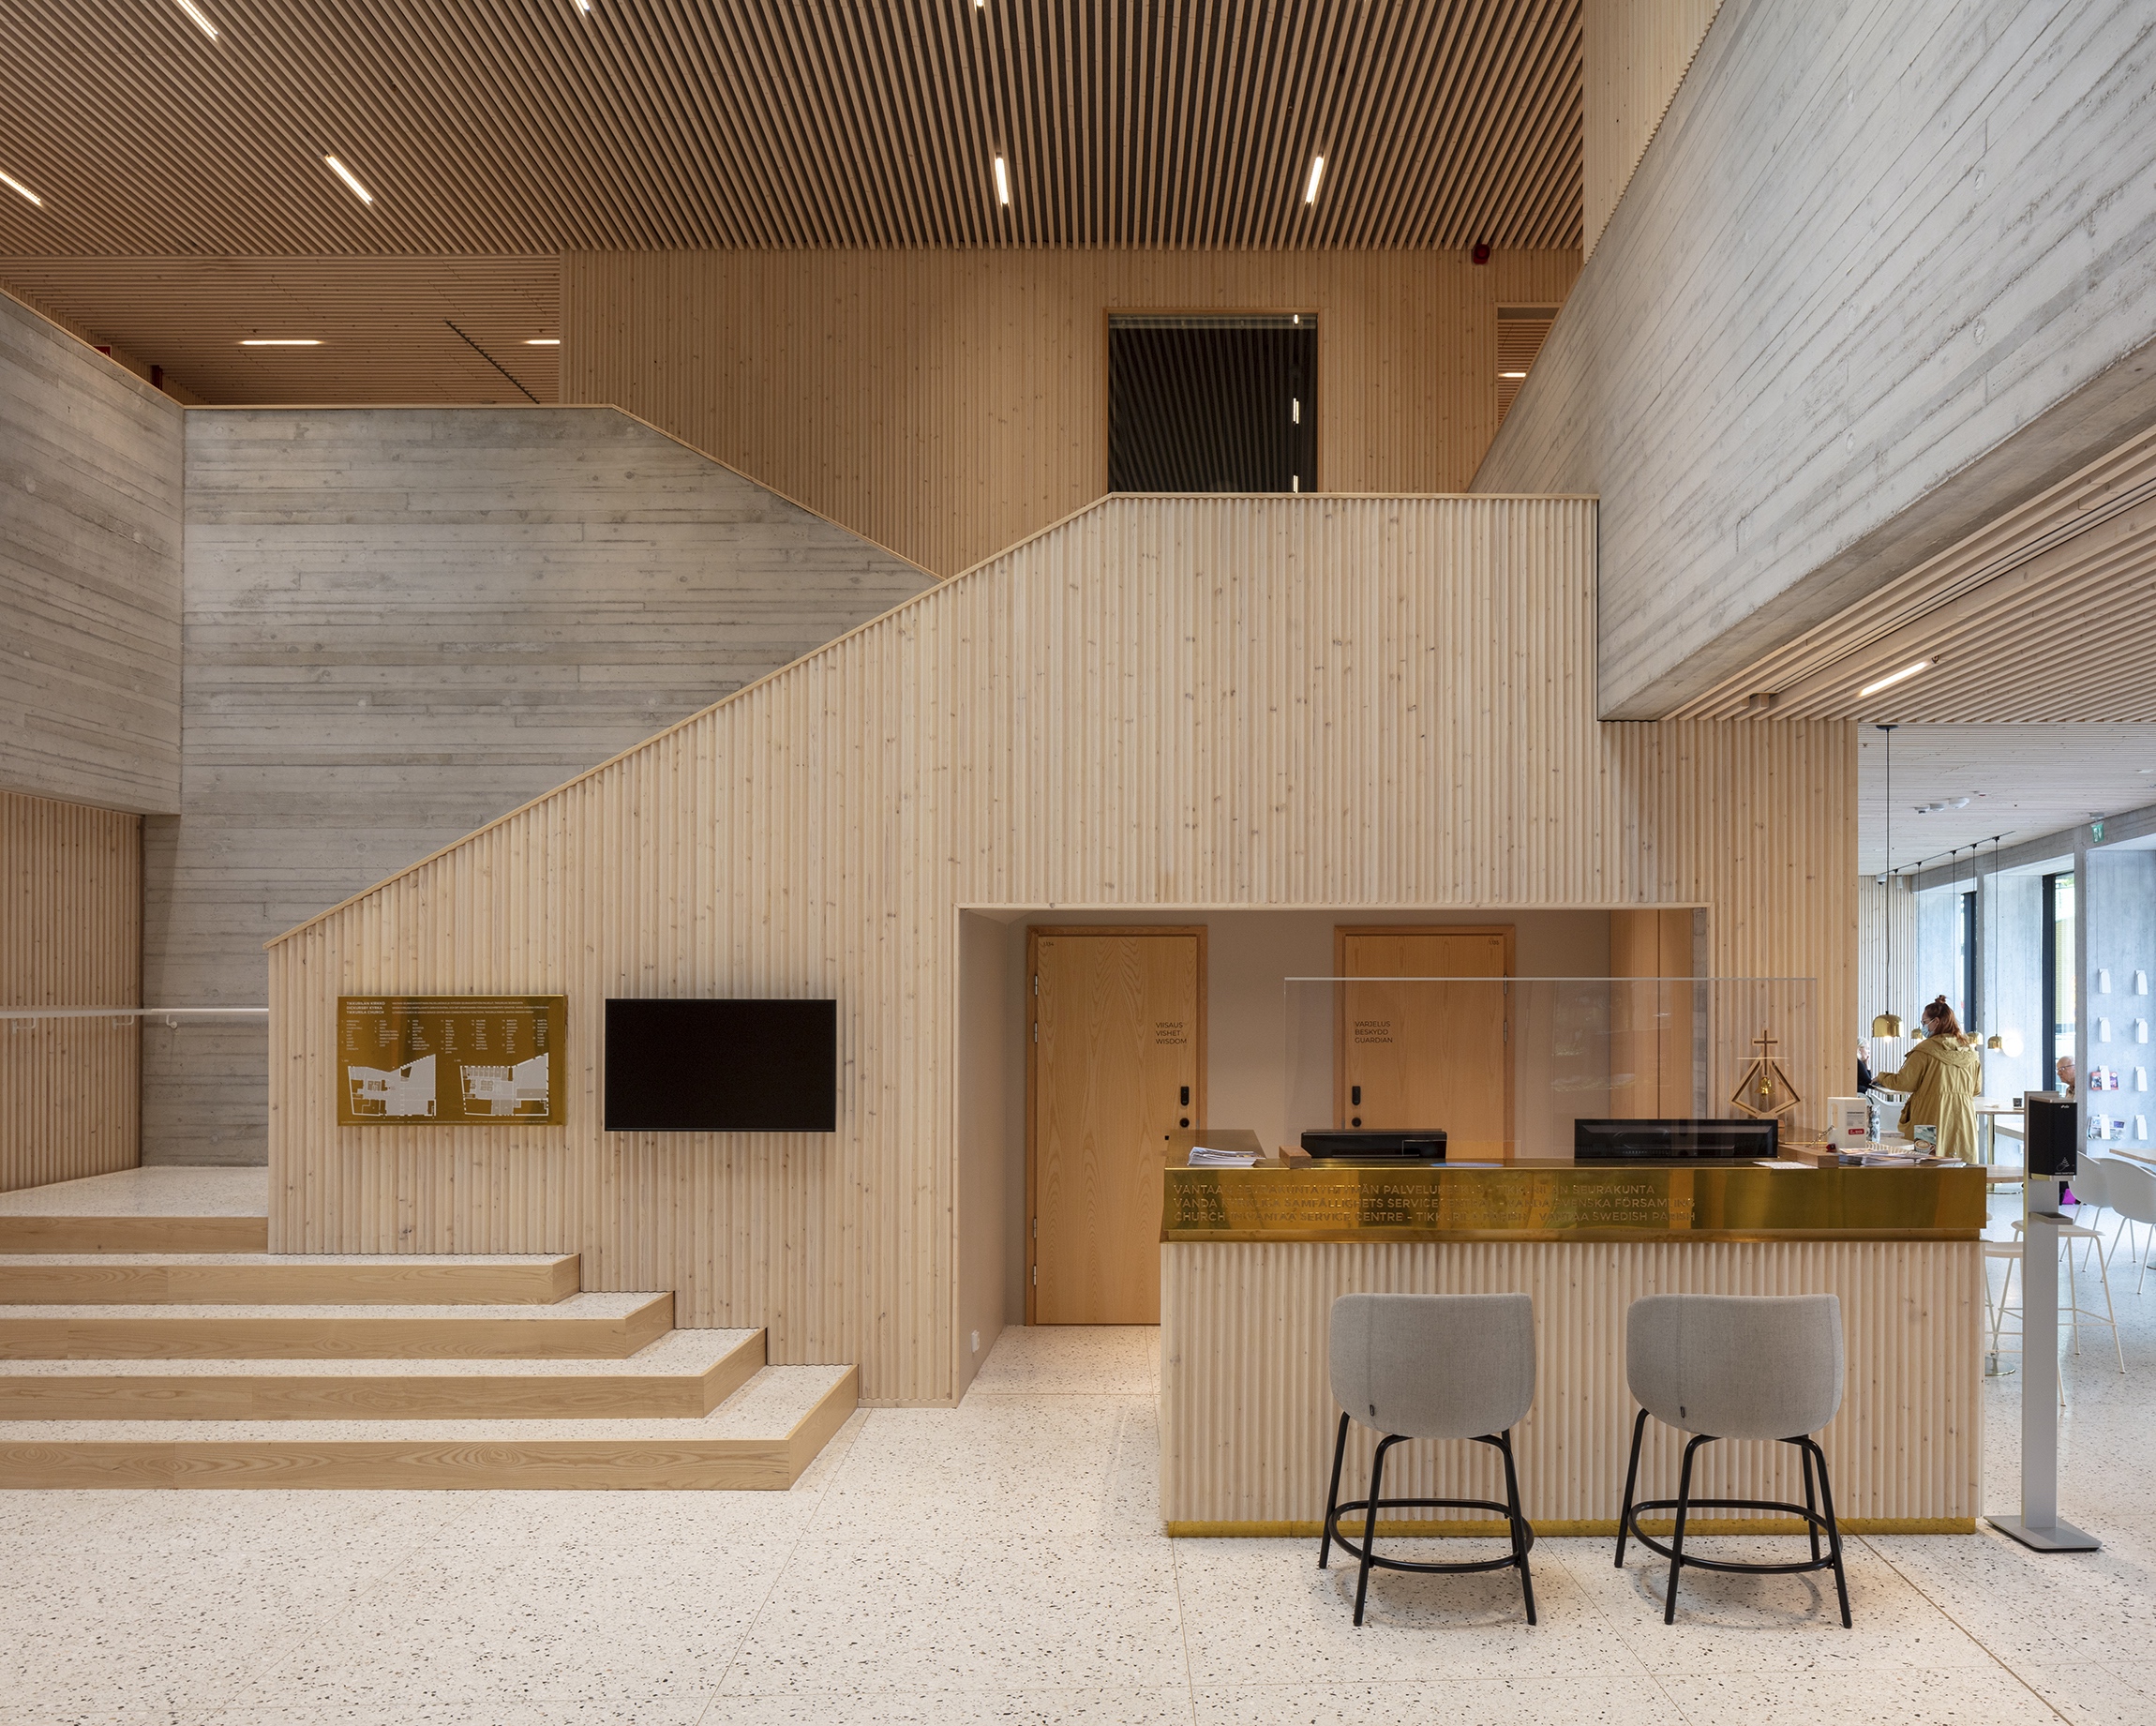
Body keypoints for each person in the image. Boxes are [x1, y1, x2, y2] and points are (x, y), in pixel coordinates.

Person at [1874, 997, 1982, 1160]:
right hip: (1963, 1119)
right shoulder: (1970, 1053)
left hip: (1929, 1119)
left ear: (1936, 1022)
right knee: (1960, 1167)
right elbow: (1976, 1089)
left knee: (1925, 1164)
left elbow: (1904, 1083)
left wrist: (1882, 1077)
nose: (1922, 1026)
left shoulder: (1924, 1051)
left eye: (1924, 1022)